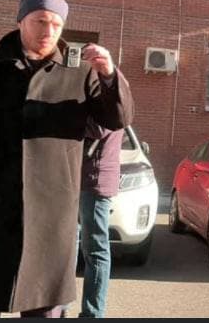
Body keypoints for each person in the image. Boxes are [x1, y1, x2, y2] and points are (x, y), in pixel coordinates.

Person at [0, 0, 133, 318]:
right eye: (40, 21)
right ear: (21, 21)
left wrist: (108, 75)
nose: (49, 31)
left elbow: (118, 119)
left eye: (57, 24)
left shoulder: (81, 73)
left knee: (43, 310)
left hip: (52, 213)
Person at [77, 118, 123, 318]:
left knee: (95, 250)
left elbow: (97, 128)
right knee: (74, 246)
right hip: (86, 178)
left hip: (94, 180)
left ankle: (92, 314)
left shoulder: (108, 99)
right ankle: (60, 308)